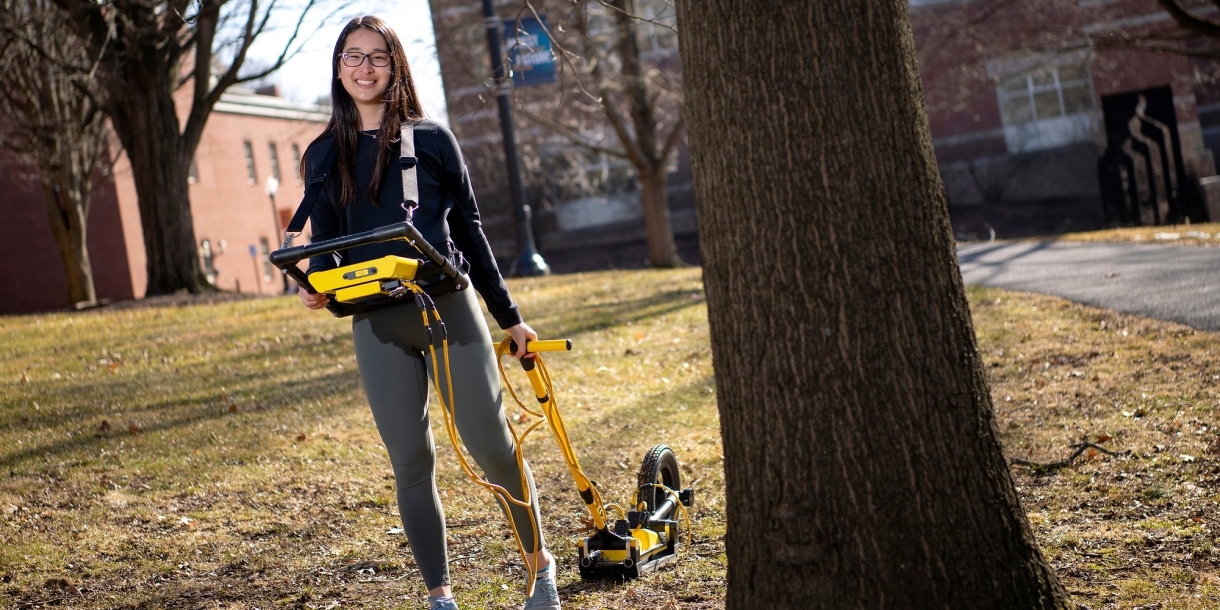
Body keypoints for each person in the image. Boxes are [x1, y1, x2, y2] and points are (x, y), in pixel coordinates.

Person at [295, 16, 560, 610]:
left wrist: (509, 317)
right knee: (410, 460)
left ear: (396, 67)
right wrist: (317, 288)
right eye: (352, 56)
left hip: (447, 307)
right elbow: (328, 245)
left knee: (491, 445)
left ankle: (540, 573)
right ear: (339, 67)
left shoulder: (433, 140)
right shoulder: (320, 155)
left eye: (378, 57)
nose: (364, 68)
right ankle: (440, 598)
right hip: (375, 321)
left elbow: (470, 231)